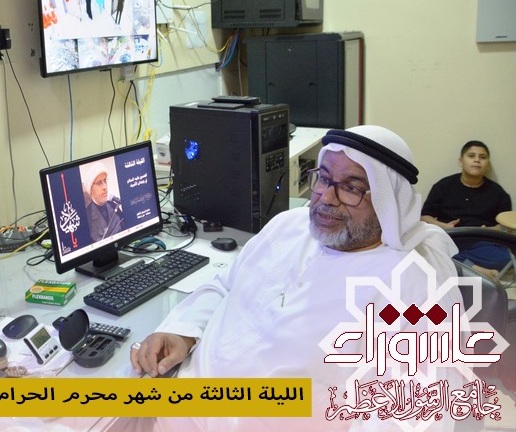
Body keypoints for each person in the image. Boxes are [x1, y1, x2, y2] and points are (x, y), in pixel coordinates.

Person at [128, 125, 464, 431]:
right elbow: (225, 286)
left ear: (388, 202)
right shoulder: (288, 225)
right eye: (324, 179)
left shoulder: (414, 288)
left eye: (351, 188)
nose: (326, 198)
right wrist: (183, 332)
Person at [421, 140, 512, 279]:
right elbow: (425, 216)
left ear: (487, 164)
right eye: (471, 156)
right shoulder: (444, 186)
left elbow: (505, 226)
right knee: (427, 248)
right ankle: (476, 269)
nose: (477, 160)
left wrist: (490, 230)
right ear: (461, 161)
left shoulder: (498, 192)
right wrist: (444, 226)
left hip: (482, 242)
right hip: (450, 237)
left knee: (505, 257)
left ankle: (462, 265)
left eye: (482, 157)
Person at [82, 161, 124, 242]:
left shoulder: (114, 206)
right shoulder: (87, 216)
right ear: (91, 189)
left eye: (105, 181)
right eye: (99, 183)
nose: (105, 187)